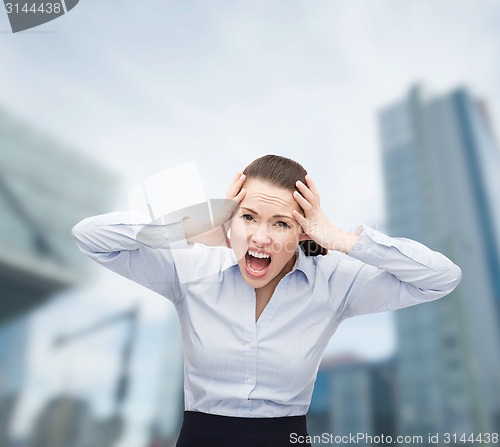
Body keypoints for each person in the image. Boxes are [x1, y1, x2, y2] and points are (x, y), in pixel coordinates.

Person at [72, 154, 462, 447]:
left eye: (281, 223)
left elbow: (441, 278)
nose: (260, 237)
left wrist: (342, 239)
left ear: (303, 231)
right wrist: (195, 223)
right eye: (248, 217)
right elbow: (90, 237)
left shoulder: (334, 283)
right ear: (231, 219)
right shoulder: (191, 268)